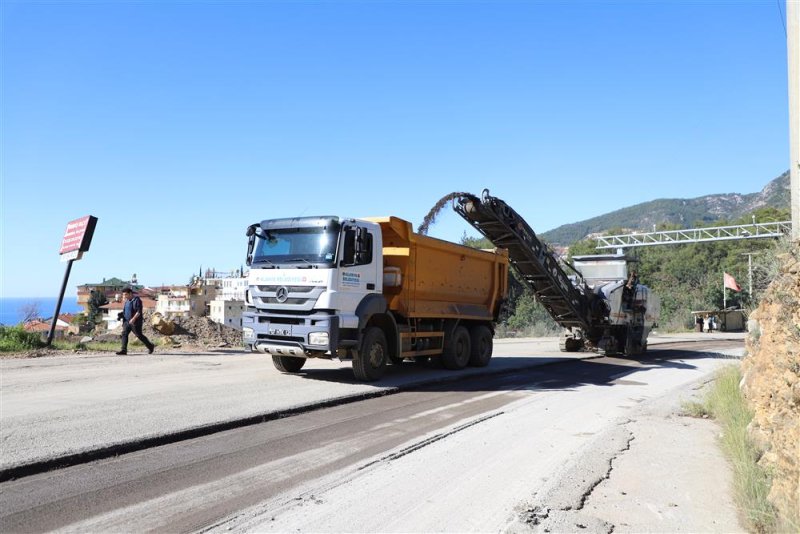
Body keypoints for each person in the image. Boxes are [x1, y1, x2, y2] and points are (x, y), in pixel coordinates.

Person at [117, 287, 155, 355]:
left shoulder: (137, 300)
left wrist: (133, 319)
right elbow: (126, 311)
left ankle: (150, 346)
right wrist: (121, 315)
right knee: (124, 334)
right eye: (123, 295)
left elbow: (138, 312)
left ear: (130, 293)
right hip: (127, 321)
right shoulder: (127, 301)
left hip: (135, 322)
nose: (124, 296)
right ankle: (123, 350)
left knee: (139, 335)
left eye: (125, 294)